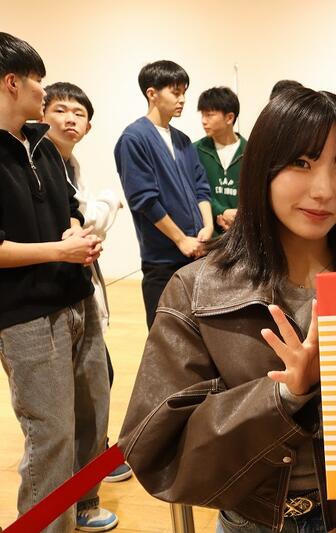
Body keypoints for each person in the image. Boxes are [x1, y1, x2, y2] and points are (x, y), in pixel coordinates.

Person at [118, 87, 336, 533]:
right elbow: (157, 449)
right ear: (263, 168)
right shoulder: (197, 290)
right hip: (253, 523)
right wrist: (285, 395)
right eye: (302, 164)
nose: (324, 190)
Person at [0, 32, 117, 531]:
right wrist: (59, 250)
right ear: (11, 82)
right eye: (38, 82)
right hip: (25, 316)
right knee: (51, 433)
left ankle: (83, 504)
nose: (44, 93)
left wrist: (74, 231)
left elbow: (69, 209)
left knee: (91, 416)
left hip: (77, 298)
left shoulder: (43, 146)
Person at [42, 81, 133, 484]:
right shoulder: (39, 162)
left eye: (78, 114)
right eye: (60, 110)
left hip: (78, 290)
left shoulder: (69, 165)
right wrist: (109, 202)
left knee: (95, 382)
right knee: (58, 409)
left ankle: (89, 471)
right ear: (42, 114)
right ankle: (79, 480)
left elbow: (82, 226)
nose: (69, 119)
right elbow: (82, 225)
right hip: (46, 300)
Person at [114, 60, 213, 329]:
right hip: (163, 259)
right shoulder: (134, 138)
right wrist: (180, 239)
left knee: (197, 334)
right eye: (175, 92)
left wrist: (207, 226)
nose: (182, 100)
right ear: (152, 93)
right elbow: (144, 199)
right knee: (165, 336)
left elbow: (201, 187)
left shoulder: (182, 139)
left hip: (196, 254)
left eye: (184, 92)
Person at [194, 86, 247, 235]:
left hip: (241, 236)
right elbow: (193, 191)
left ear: (229, 118)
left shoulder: (251, 152)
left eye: (209, 115)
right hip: (206, 237)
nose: (203, 121)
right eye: (202, 115)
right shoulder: (195, 150)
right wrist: (221, 211)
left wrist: (239, 216)